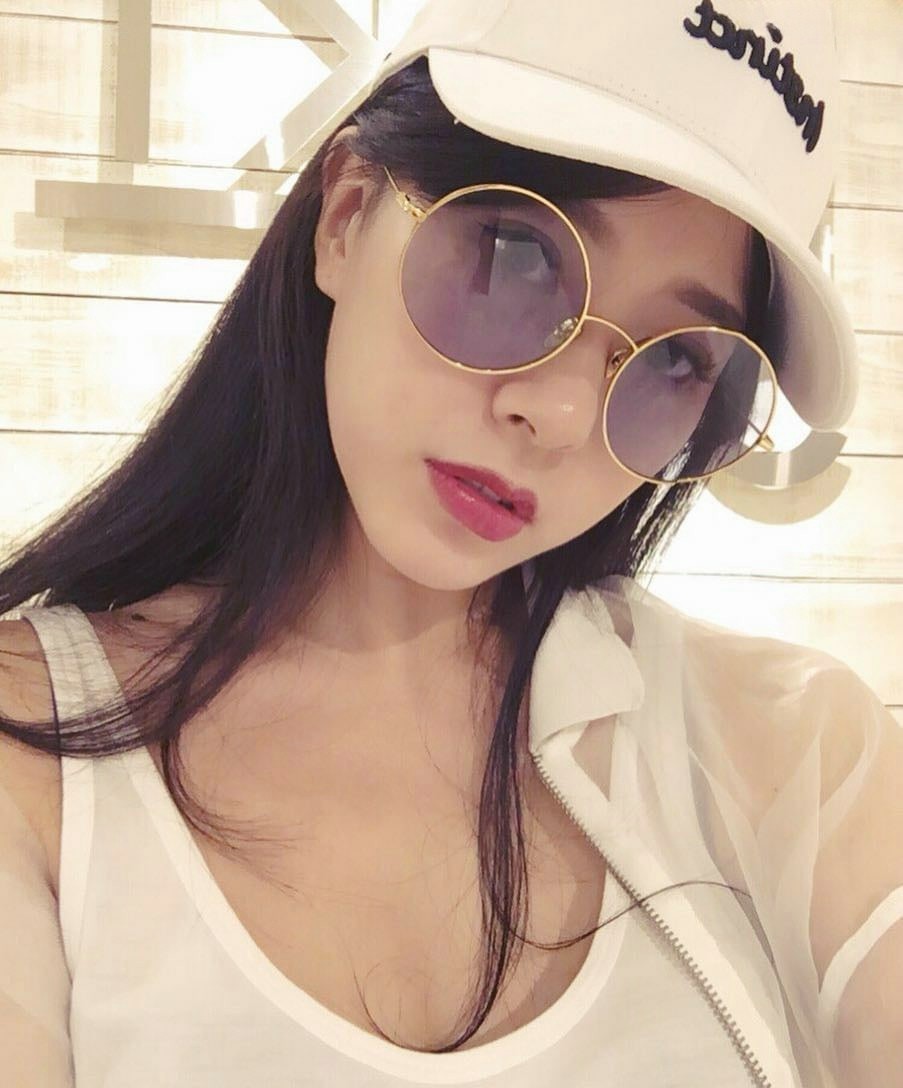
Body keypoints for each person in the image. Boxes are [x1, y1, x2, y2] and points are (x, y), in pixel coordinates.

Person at [0, 0, 899, 1083]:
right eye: (517, 256)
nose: (560, 412)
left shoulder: (793, 750)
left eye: (674, 358)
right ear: (347, 214)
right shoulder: (31, 755)